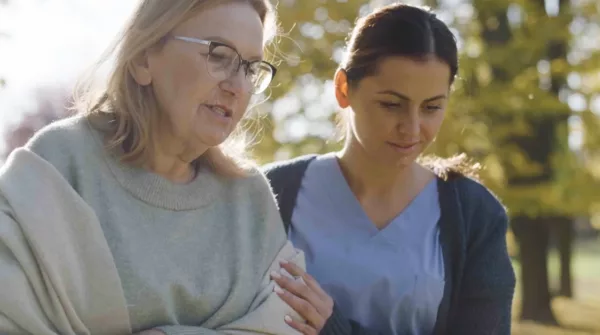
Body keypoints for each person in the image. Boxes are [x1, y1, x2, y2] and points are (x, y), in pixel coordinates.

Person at [0, 1, 332, 334]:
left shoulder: (250, 199)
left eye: (250, 68)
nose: (237, 86)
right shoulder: (59, 162)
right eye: (218, 55)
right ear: (144, 59)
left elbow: (284, 325)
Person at [263, 3, 516, 335]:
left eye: (431, 107)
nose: (411, 129)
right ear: (343, 89)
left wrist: (335, 330)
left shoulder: (474, 215)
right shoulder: (271, 192)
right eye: (391, 104)